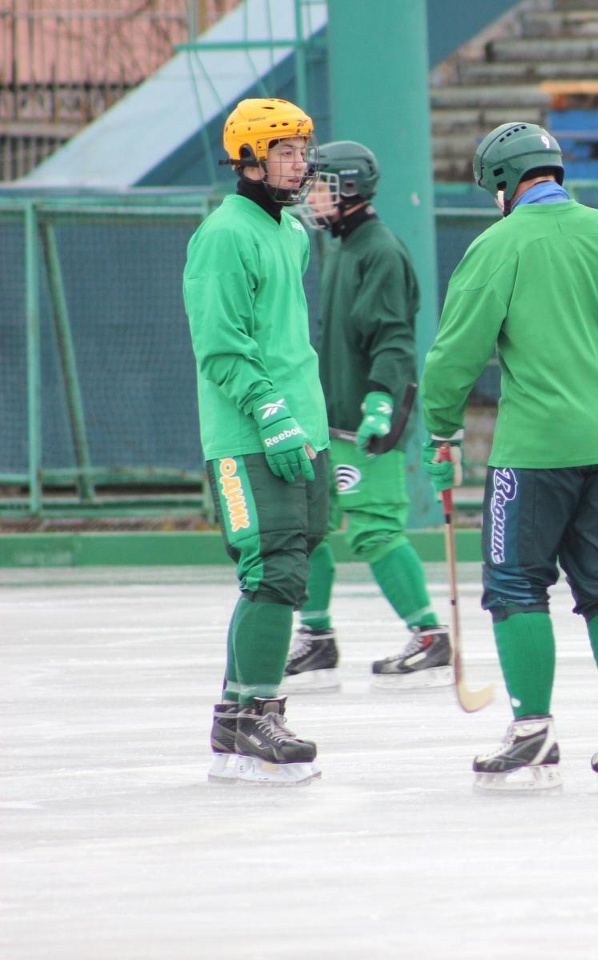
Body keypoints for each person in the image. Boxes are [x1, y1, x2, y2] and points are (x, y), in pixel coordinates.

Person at [420, 122, 598, 793]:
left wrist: (441, 429)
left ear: (505, 184)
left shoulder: (497, 246)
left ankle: (532, 731)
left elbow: (455, 353)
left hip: (535, 451)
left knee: (515, 587)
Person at [183, 97, 326, 785]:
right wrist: (270, 414)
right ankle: (257, 711)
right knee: (272, 571)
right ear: (249, 157)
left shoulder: (292, 233)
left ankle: (236, 716)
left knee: (291, 563)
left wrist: (307, 422)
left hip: (306, 428)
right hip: (249, 436)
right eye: (285, 151)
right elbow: (220, 344)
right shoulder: (223, 235)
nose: (299, 163)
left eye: (302, 150)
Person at [282, 139, 452, 694]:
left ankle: (429, 634)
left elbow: (394, 339)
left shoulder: (379, 250)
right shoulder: (341, 247)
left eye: (322, 184)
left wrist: (381, 403)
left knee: (376, 531)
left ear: (349, 188)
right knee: (311, 529)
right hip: (329, 421)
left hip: (368, 423)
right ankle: (317, 634)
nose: (312, 194)